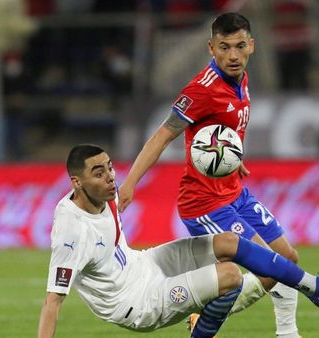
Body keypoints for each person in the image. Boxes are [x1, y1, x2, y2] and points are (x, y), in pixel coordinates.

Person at [37, 144, 319, 338]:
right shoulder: (71, 232)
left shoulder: (106, 193)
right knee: (230, 277)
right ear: (76, 182)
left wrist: (224, 157)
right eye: (98, 172)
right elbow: (53, 301)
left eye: (109, 167)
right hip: (135, 302)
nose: (110, 176)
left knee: (228, 242)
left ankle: (316, 287)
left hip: (143, 263)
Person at [118, 13, 306, 338]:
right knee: (270, 264)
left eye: (239, 46)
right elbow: (162, 135)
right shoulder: (202, 89)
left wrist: (233, 159)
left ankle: (286, 331)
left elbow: (222, 131)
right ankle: (213, 315)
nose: (233, 55)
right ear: (211, 48)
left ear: (252, 46)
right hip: (206, 201)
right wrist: (131, 182)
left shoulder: (241, 80)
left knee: (288, 257)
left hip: (234, 191)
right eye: (224, 47)